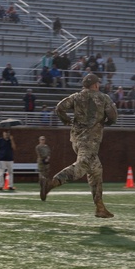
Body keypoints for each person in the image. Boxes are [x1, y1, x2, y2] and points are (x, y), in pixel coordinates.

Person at [40, 73, 117, 218]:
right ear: (95, 85)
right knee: (82, 166)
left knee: (96, 170)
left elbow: (59, 108)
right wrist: (106, 123)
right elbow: (113, 116)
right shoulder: (103, 98)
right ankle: (50, 183)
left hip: (76, 139)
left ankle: (100, 207)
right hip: (90, 141)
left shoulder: (76, 97)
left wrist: (67, 121)